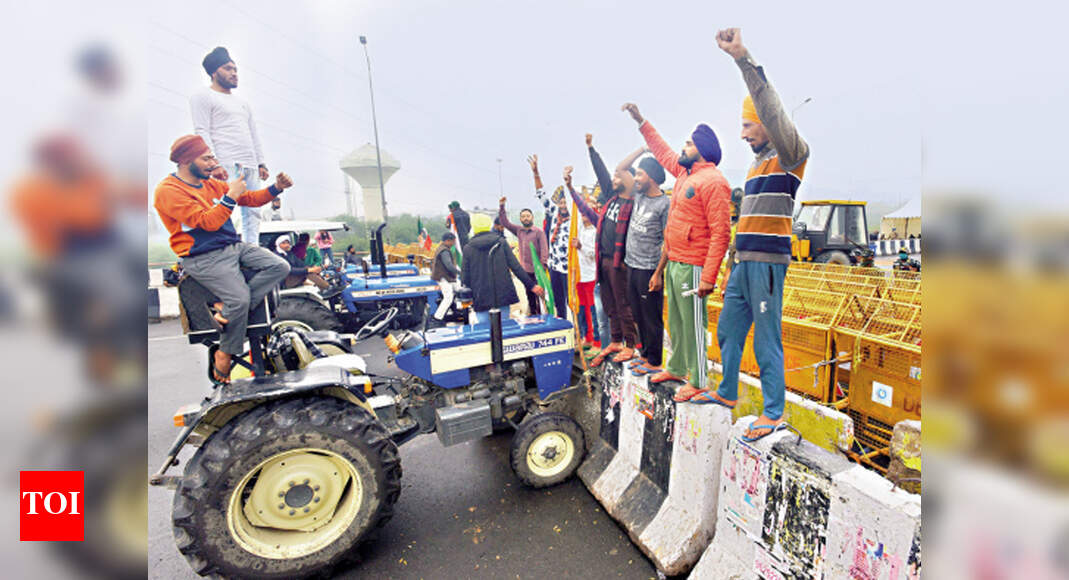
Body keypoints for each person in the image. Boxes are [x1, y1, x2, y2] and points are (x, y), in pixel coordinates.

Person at [705, 29, 812, 442]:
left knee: (767, 340)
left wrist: (743, 59)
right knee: (729, 330)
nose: (743, 133)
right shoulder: (753, 168)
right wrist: (734, 256)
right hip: (743, 264)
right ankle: (728, 392)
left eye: (749, 125)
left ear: (768, 124)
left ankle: (773, 411)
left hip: (767, 265)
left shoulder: (791, 155)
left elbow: (770, 104)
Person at [153, 135, 292, 383]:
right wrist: (230, 196)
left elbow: (249, 199)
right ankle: (224, 354)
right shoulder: (168, 191)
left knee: (279, 265)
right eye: (206, 158)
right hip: (203, 257)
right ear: (186, 160)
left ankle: (227, 309)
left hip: (231, 246)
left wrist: (276, 188)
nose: (212, 163)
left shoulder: (210, 184)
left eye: (212, 157)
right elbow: (208, 221)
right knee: (239, 299)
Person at [622, 102, 731, 401]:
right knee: (678, 323)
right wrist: (642, 121)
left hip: (695, 266)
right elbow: (663, 152)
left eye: (689, 143)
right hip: (676, 262)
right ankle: (678, 367)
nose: (683, 148)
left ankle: (698, 380)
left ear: (703, 149)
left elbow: (721, 233)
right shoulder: (685, 175)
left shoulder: (713, 182)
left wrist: (708, 276)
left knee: (695, 325)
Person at [567, 134, 645, 367]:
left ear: (627, 179)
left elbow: (618, 169)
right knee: (610, 303)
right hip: (605, 261)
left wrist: (593, 149)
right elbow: (592, 193)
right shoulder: (611, 201)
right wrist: (570, 187)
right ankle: (616, 340)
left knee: (623, 303)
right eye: (612, 177)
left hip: (621, 262)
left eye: (617, 177)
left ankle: (630, 345)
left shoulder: (631, 198)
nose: (613, 178)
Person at [191, 46, 270, 245]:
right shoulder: (203, 96)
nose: (234, 73)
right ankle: (225, 251)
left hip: (250, 165)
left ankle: (253, 250)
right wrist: (213, 163)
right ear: (214, 72)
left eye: (235, 69)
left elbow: (253, 133)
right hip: (225, 164)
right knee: (223, 211)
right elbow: (202, 131)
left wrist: (261, 162)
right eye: (228, 69)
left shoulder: (243, 103)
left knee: (253, 213)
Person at [624, 155, 670, 376]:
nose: (636, 178)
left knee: (651, 316)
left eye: (640, 174)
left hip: (648, 268)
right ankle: (644, 355)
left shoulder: (664, 204)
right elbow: (620, 168)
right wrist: (642, 149)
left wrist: (658, 272)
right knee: (638, 314)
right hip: (631, 265)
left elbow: (668, 241)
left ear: (651, 177)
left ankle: (655, 360)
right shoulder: (638, 195)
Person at [461, 213, 544, 325]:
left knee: (485, 330)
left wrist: (467, 297)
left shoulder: (468, 248)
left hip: (480, 297)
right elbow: (516, 267)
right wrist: (532, 285)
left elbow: (465, 276)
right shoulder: (501, 243)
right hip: (502, 294)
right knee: (503, 328)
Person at [526, 155, 570, 319]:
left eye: (566, 203)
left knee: (572, 301)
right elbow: (541, 194)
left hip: (568, 268)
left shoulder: (574, 221)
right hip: (554, 266)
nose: (563, 206)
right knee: (558, 300)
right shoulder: (554, 213)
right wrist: (536, 172)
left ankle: (579, 331)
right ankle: (562, 323)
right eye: (561, 203)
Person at [498, 197, 549, 316]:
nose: (526, 218)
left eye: (528, 216)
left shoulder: (538, 232)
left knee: (541, 297)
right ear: (521, 219)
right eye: (523, 216)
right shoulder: (519, 231)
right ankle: (535, 318)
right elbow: (505, 223)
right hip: (526, 272)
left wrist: (542, 268)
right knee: (530, 296)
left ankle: (544, 318)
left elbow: (544, 251)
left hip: (538, 271)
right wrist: (502, 206)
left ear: (532, 218)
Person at [573, 209, 600, 349]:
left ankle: (597, 342)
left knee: (593, 310)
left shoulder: (596, 230)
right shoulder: (578, 229)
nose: (583, 215)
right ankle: (586, 337)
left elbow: (594, 254)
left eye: (586, 212)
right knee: (581, 309)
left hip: (591, 275)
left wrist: (580, 247)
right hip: (579, 275)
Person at [431, 232, 462, 324]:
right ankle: (437, 318)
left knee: (459, 289)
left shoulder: (442, 248)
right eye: (453, 241)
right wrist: (460, 272)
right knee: (448, 297)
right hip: (443, 277)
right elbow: (449, 265)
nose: (453, 243)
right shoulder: (444, 251)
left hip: (444, 276)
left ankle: (457, 310)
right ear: (448, 241)